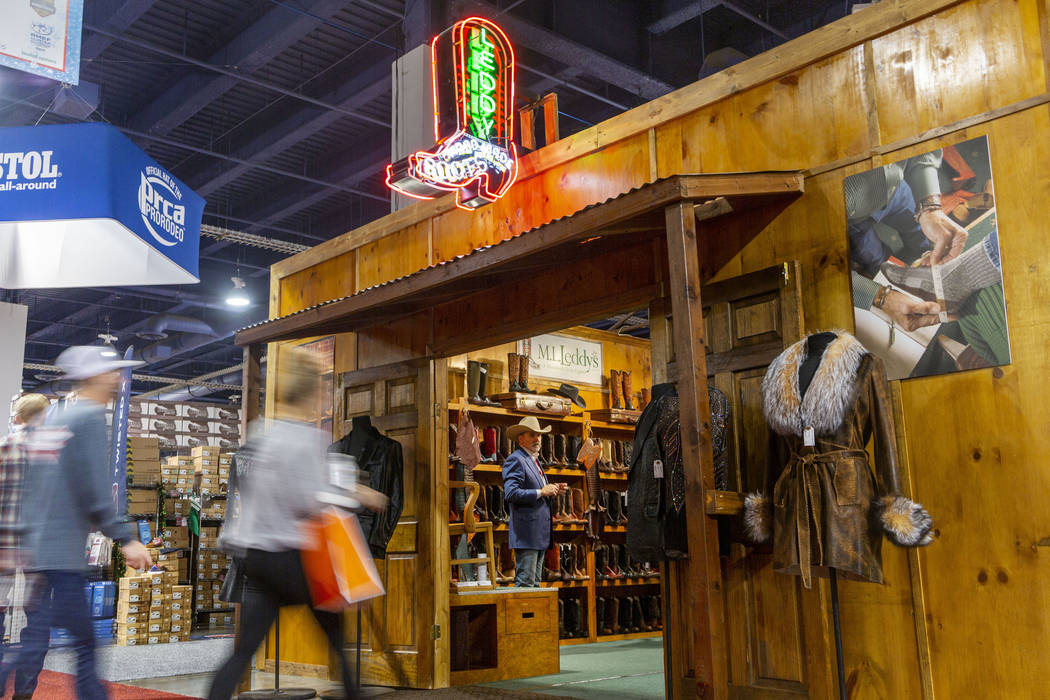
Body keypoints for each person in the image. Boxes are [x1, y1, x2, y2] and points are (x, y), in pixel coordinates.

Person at [207, 347, 386, 700]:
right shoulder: (307, 439)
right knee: (336, 634)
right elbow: (309, 500)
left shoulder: (260, 434)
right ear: (311, 392)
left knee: (245, 649)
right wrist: (358, 496)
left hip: (256, 555)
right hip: (290, 554)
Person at [16, 348, 153, 700]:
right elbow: (94, 489)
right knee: (84, 642)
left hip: (41, 551)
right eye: (113, 372)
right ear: (95, 376)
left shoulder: (54, 419)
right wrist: (125, 537)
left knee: (37, 634)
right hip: (62, 555)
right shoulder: (89, 418)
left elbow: (36, 489)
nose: (119, 379)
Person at [0, 394, 49, 696]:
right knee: (38, 625)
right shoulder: (52, 456)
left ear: (17, 418)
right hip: (40, 551)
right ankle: (24, 693)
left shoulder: (3, 449)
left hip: (2, 545)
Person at [501, 416, 566, 587]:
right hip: (527, 533)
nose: (537, 438)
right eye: (532, 435)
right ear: (520, 438)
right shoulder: (517, 459)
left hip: (537, 533)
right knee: (526, 584)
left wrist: (552, 489)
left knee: (534, 584)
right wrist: (541, 491)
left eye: (538, 435)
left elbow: (537, 491)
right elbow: (511, 493)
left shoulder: (533, 460)